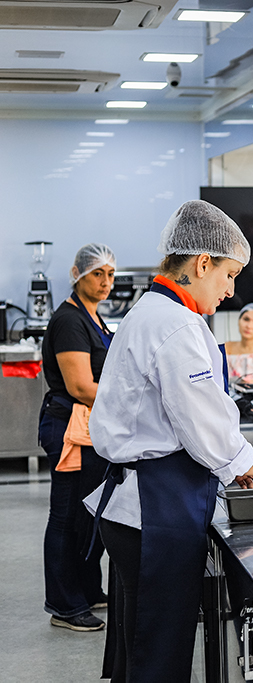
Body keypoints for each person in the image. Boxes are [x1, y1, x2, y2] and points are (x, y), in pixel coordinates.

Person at [87, 200, 253, 683]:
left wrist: (247, 462)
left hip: (139, 503)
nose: (232, 290)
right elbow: (211, 437)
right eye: (230, 274)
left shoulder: (153, 312)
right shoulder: (175, 326)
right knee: (159, 653)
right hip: (154, 510)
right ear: (201, 263)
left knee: (140, 647)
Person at [38, 243, 116, 632]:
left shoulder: (95, 318)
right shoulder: (70, 320)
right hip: (68, 428)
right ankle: (64, 606)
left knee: (89, 515)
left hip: (89, 430)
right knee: (67, 517)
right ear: (77, 274)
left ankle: (87, 590)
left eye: (110, 275)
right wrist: (131, 396)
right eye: (97, 274)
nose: (105, 282)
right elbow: (82, 386)